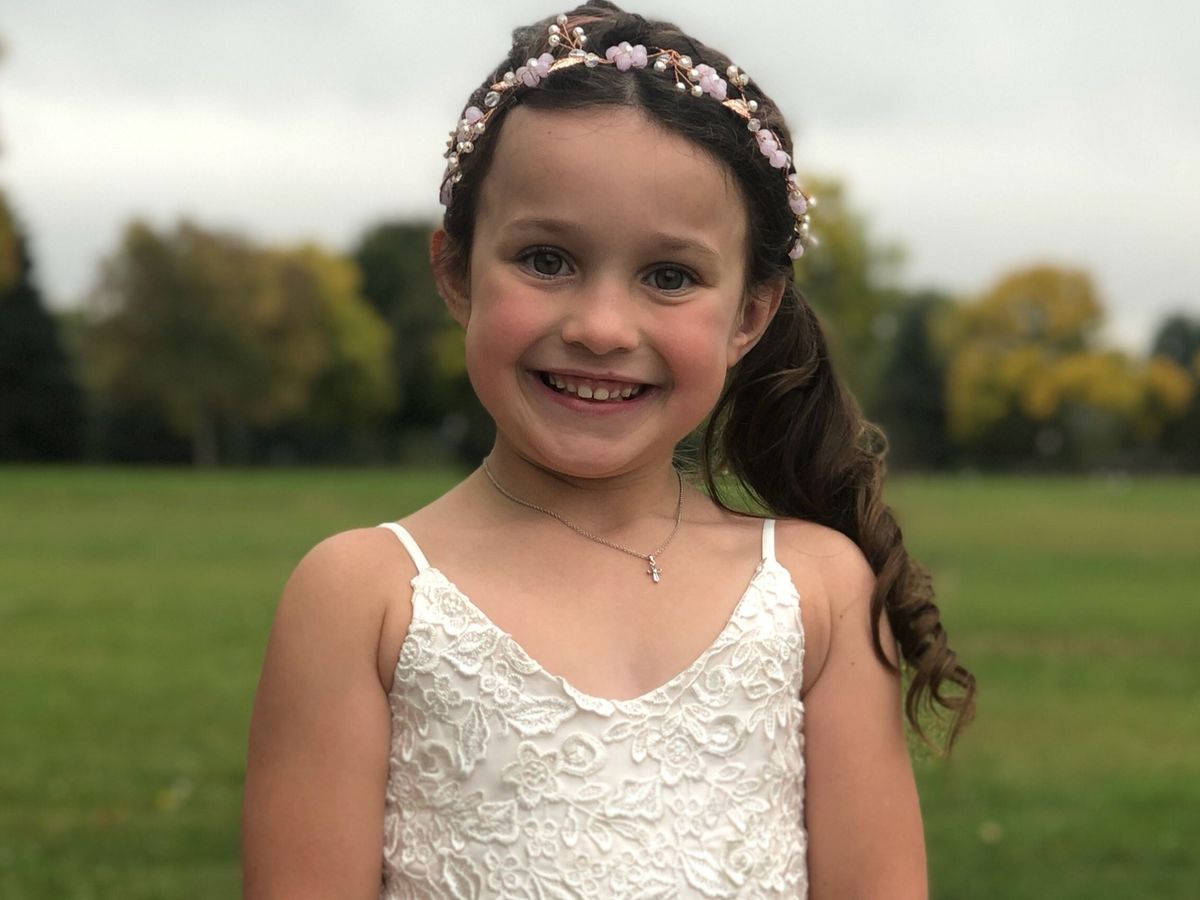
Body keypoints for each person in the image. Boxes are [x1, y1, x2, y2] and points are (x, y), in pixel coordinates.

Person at [242, 3, 976, 897]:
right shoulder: (362, 597)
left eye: (669, 276)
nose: (600, 328)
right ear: (456, 272)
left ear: (750, 314)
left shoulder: (816, 592)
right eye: (547, 260)